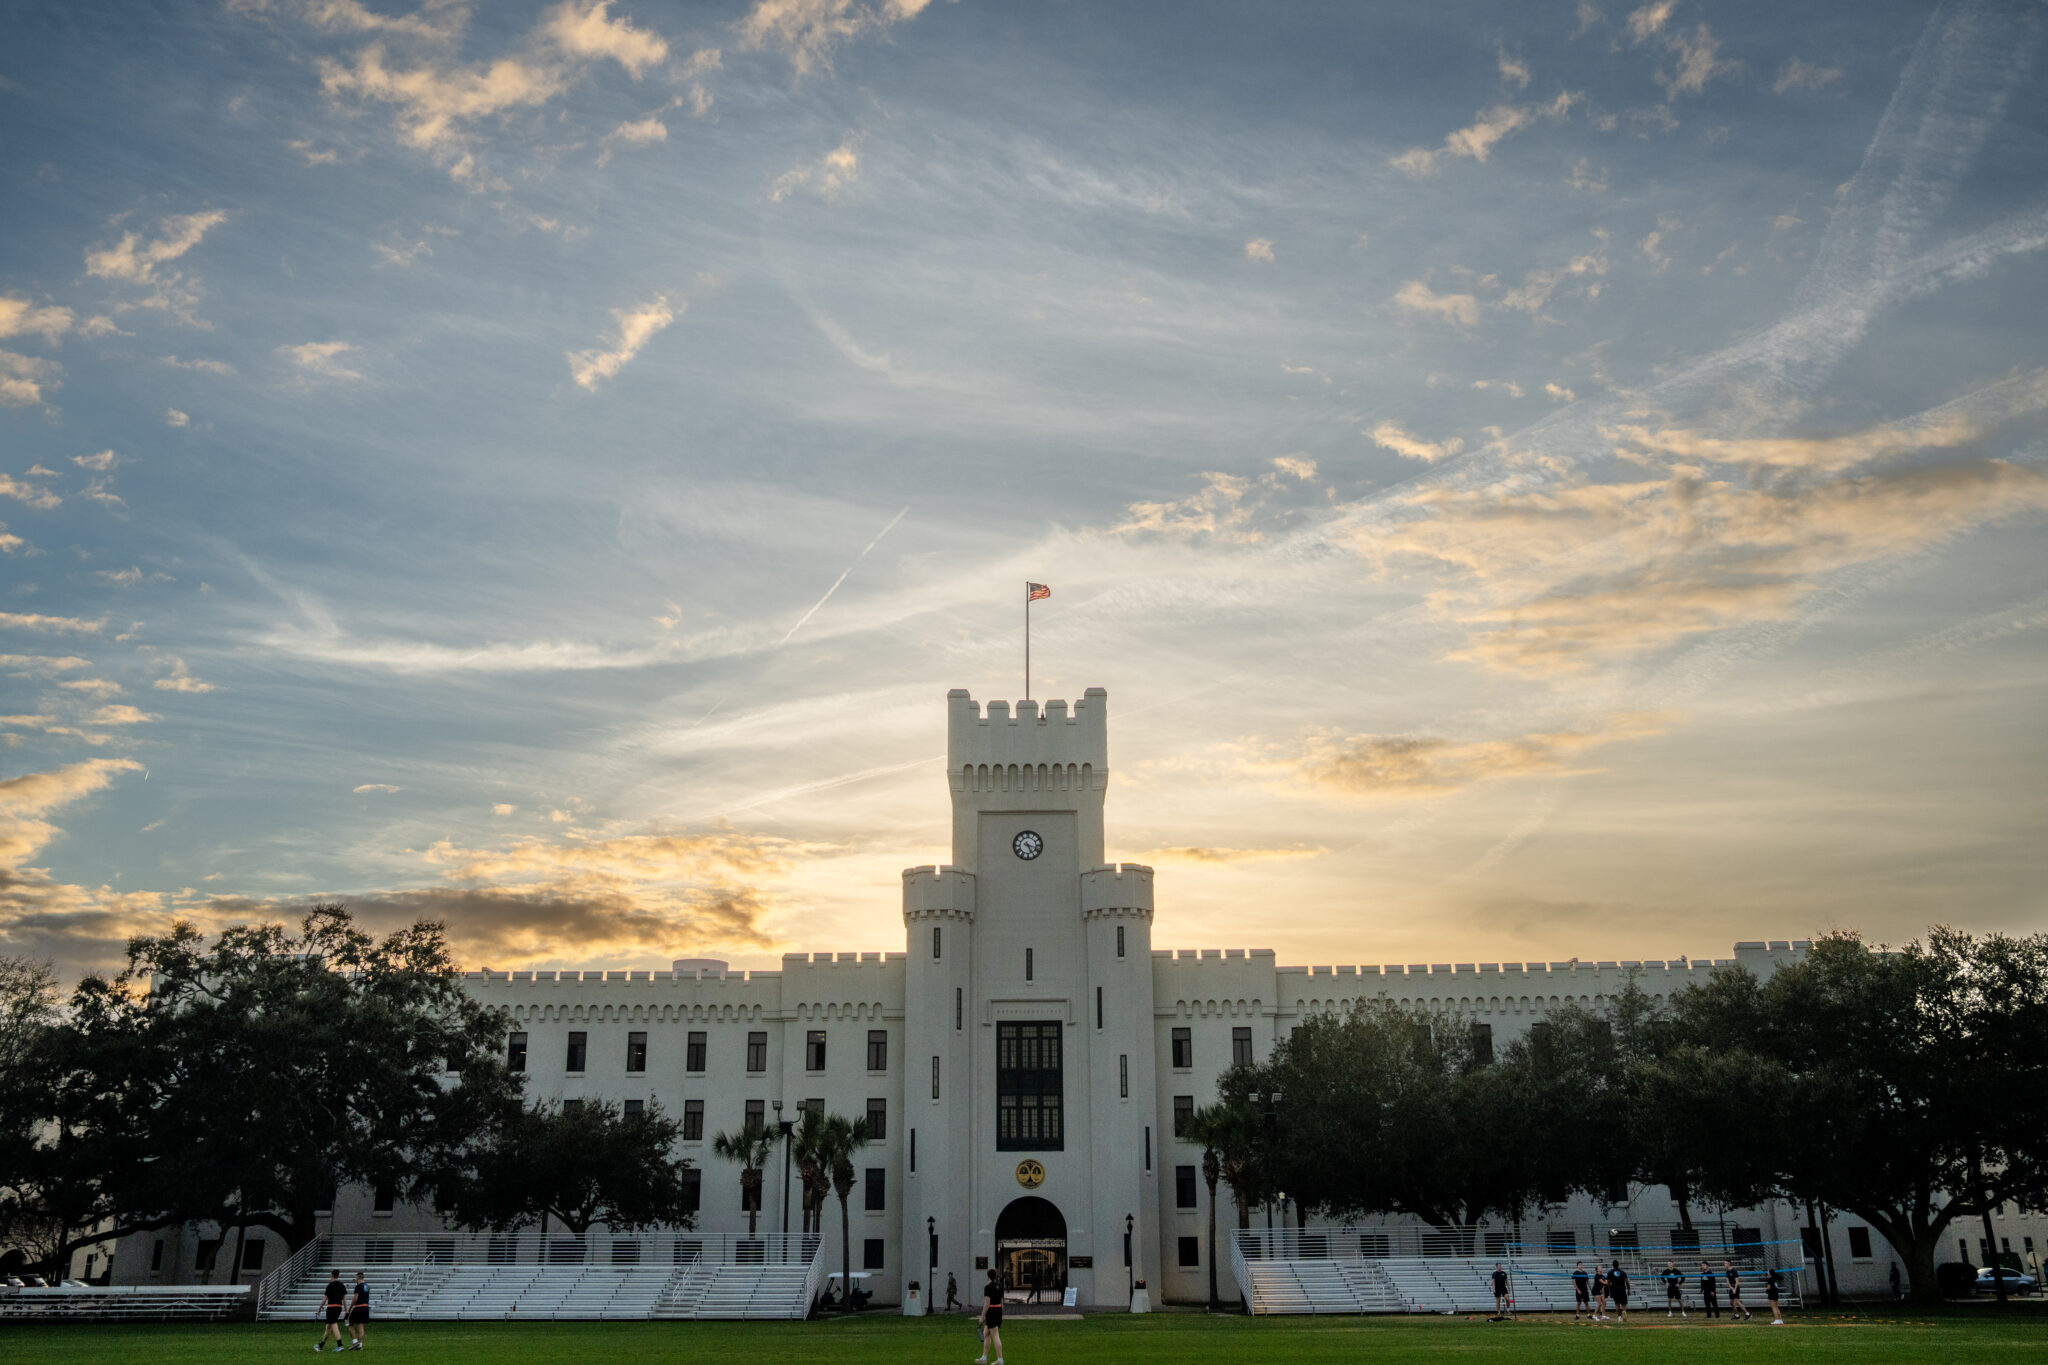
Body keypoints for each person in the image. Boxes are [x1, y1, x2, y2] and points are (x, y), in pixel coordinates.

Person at [973, 1268, 1004, 1365]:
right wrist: (1001, 1314)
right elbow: (1002, 1302)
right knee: (986, 1333)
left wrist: (982, 1317)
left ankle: (1000, 1360)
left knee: (995, 1335)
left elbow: (987, 1303)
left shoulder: (988, 1287)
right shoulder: (999, 1286)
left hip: (992, 1311)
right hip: (998, 1310)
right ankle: (984, 1358)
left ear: (988, 1276)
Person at [316, 1269, 347, 1352]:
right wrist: (346, 1310)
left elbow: (325, 1298)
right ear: (338, 1275)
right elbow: (344, 1299)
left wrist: (320, 1308)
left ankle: (340, 1345)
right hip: (339, 1307)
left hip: (331, 1307)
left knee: (333, 1324)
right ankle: (321, 1345)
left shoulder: (330, 1285)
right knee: (328, 1327)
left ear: (332, 1275)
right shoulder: (341, 1285)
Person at [347, 1272, 370, 1350]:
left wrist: (349, 1309)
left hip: (358, 1307)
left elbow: (355, 1298)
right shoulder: (367, 1286)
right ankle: (360, 1345)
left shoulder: (358, 1286)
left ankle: (355, 1342)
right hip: (365, 1307)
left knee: (349, 1323)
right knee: (360, 1326)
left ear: (358, 1278)